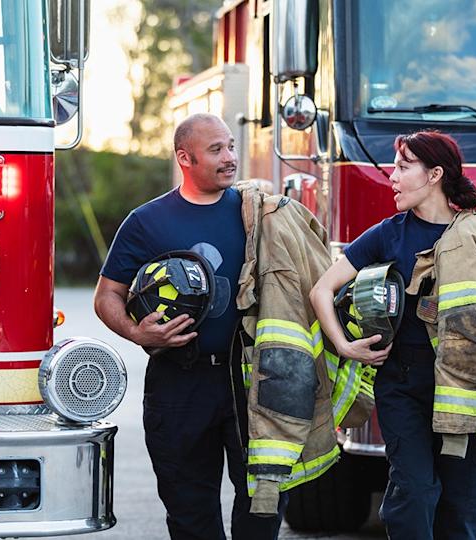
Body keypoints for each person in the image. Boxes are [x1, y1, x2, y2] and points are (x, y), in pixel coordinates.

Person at [310, 130, 476, 540]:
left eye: (403, 167)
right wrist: (346, 346)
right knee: (416, 491)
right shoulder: (388, 234)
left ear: (435, 174)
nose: (393, 178)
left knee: (465, 500)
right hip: (402, 385)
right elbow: (321, 290)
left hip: (468, 389)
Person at [93, 113, 285, 539]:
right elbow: (106, 295)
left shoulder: (258, 213)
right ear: (185, 157)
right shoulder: (147, 221)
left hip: (250, 381)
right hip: (179, 384)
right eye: (216, 149)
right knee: (190, 514)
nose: (230, 157)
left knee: (263, 505)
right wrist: (137, 333)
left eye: (231, 146)